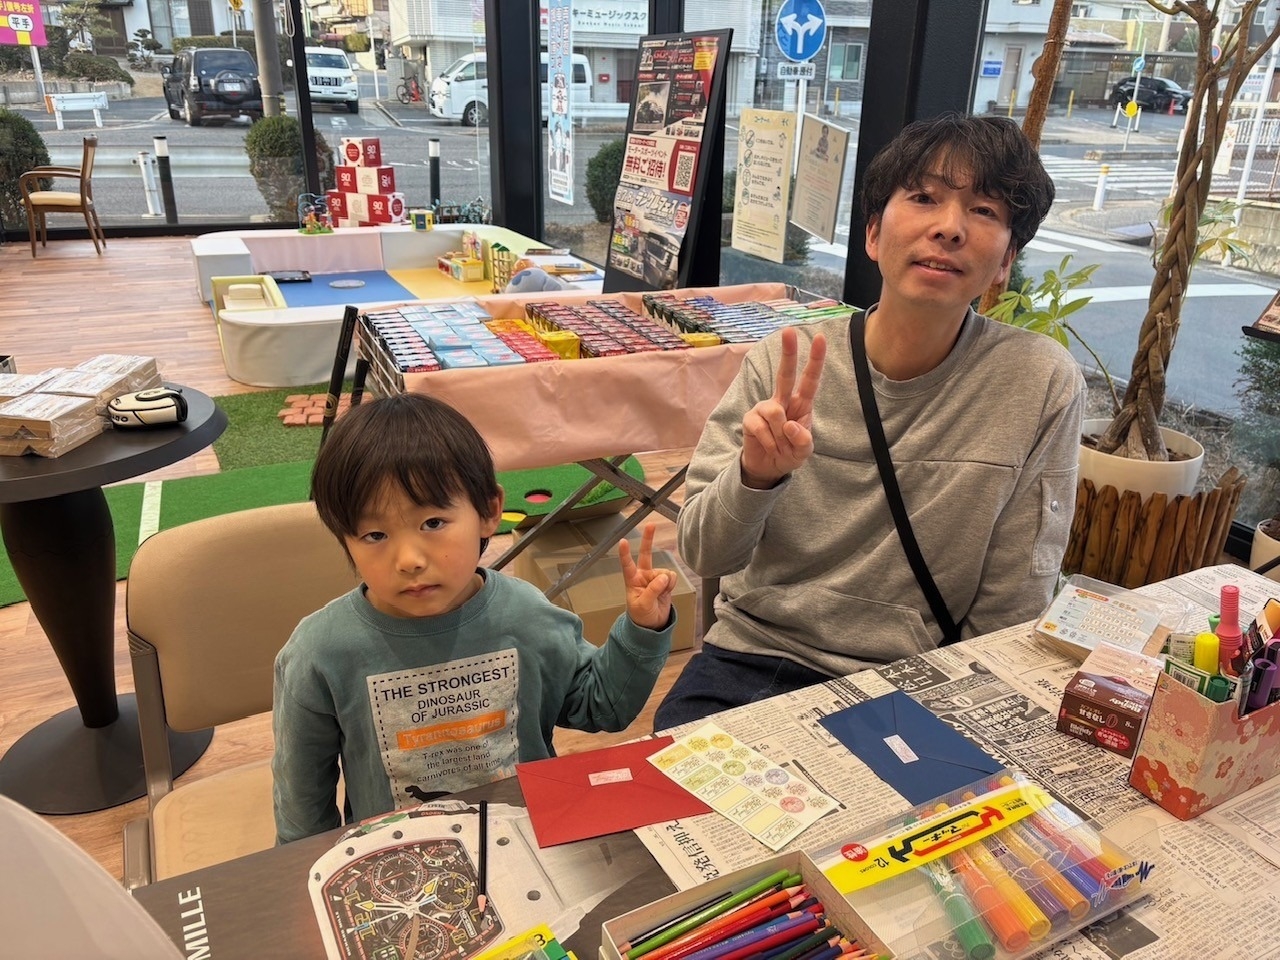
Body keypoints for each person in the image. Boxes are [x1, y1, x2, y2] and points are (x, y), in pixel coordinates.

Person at [654, 113, 1085, 729]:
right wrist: (755, 477)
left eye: (985, 210)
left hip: (922, 679)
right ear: (875, 235)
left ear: (1004, 263)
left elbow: (1014, 596)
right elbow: (703, 551)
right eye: (924, 198)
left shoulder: (1038, 382)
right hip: (757, 657)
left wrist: (965, 721)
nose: (950, 227)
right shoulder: (784, 363)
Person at [273, 394, 677, 843]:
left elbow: (601, 706)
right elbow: (302, 802)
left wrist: (643, 630)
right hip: (401, 857)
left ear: (488, 512)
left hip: (528, 838)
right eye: (374, 534)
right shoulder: (320, 652)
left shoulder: (526, 616)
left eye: (432, 523)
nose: (408, 560)